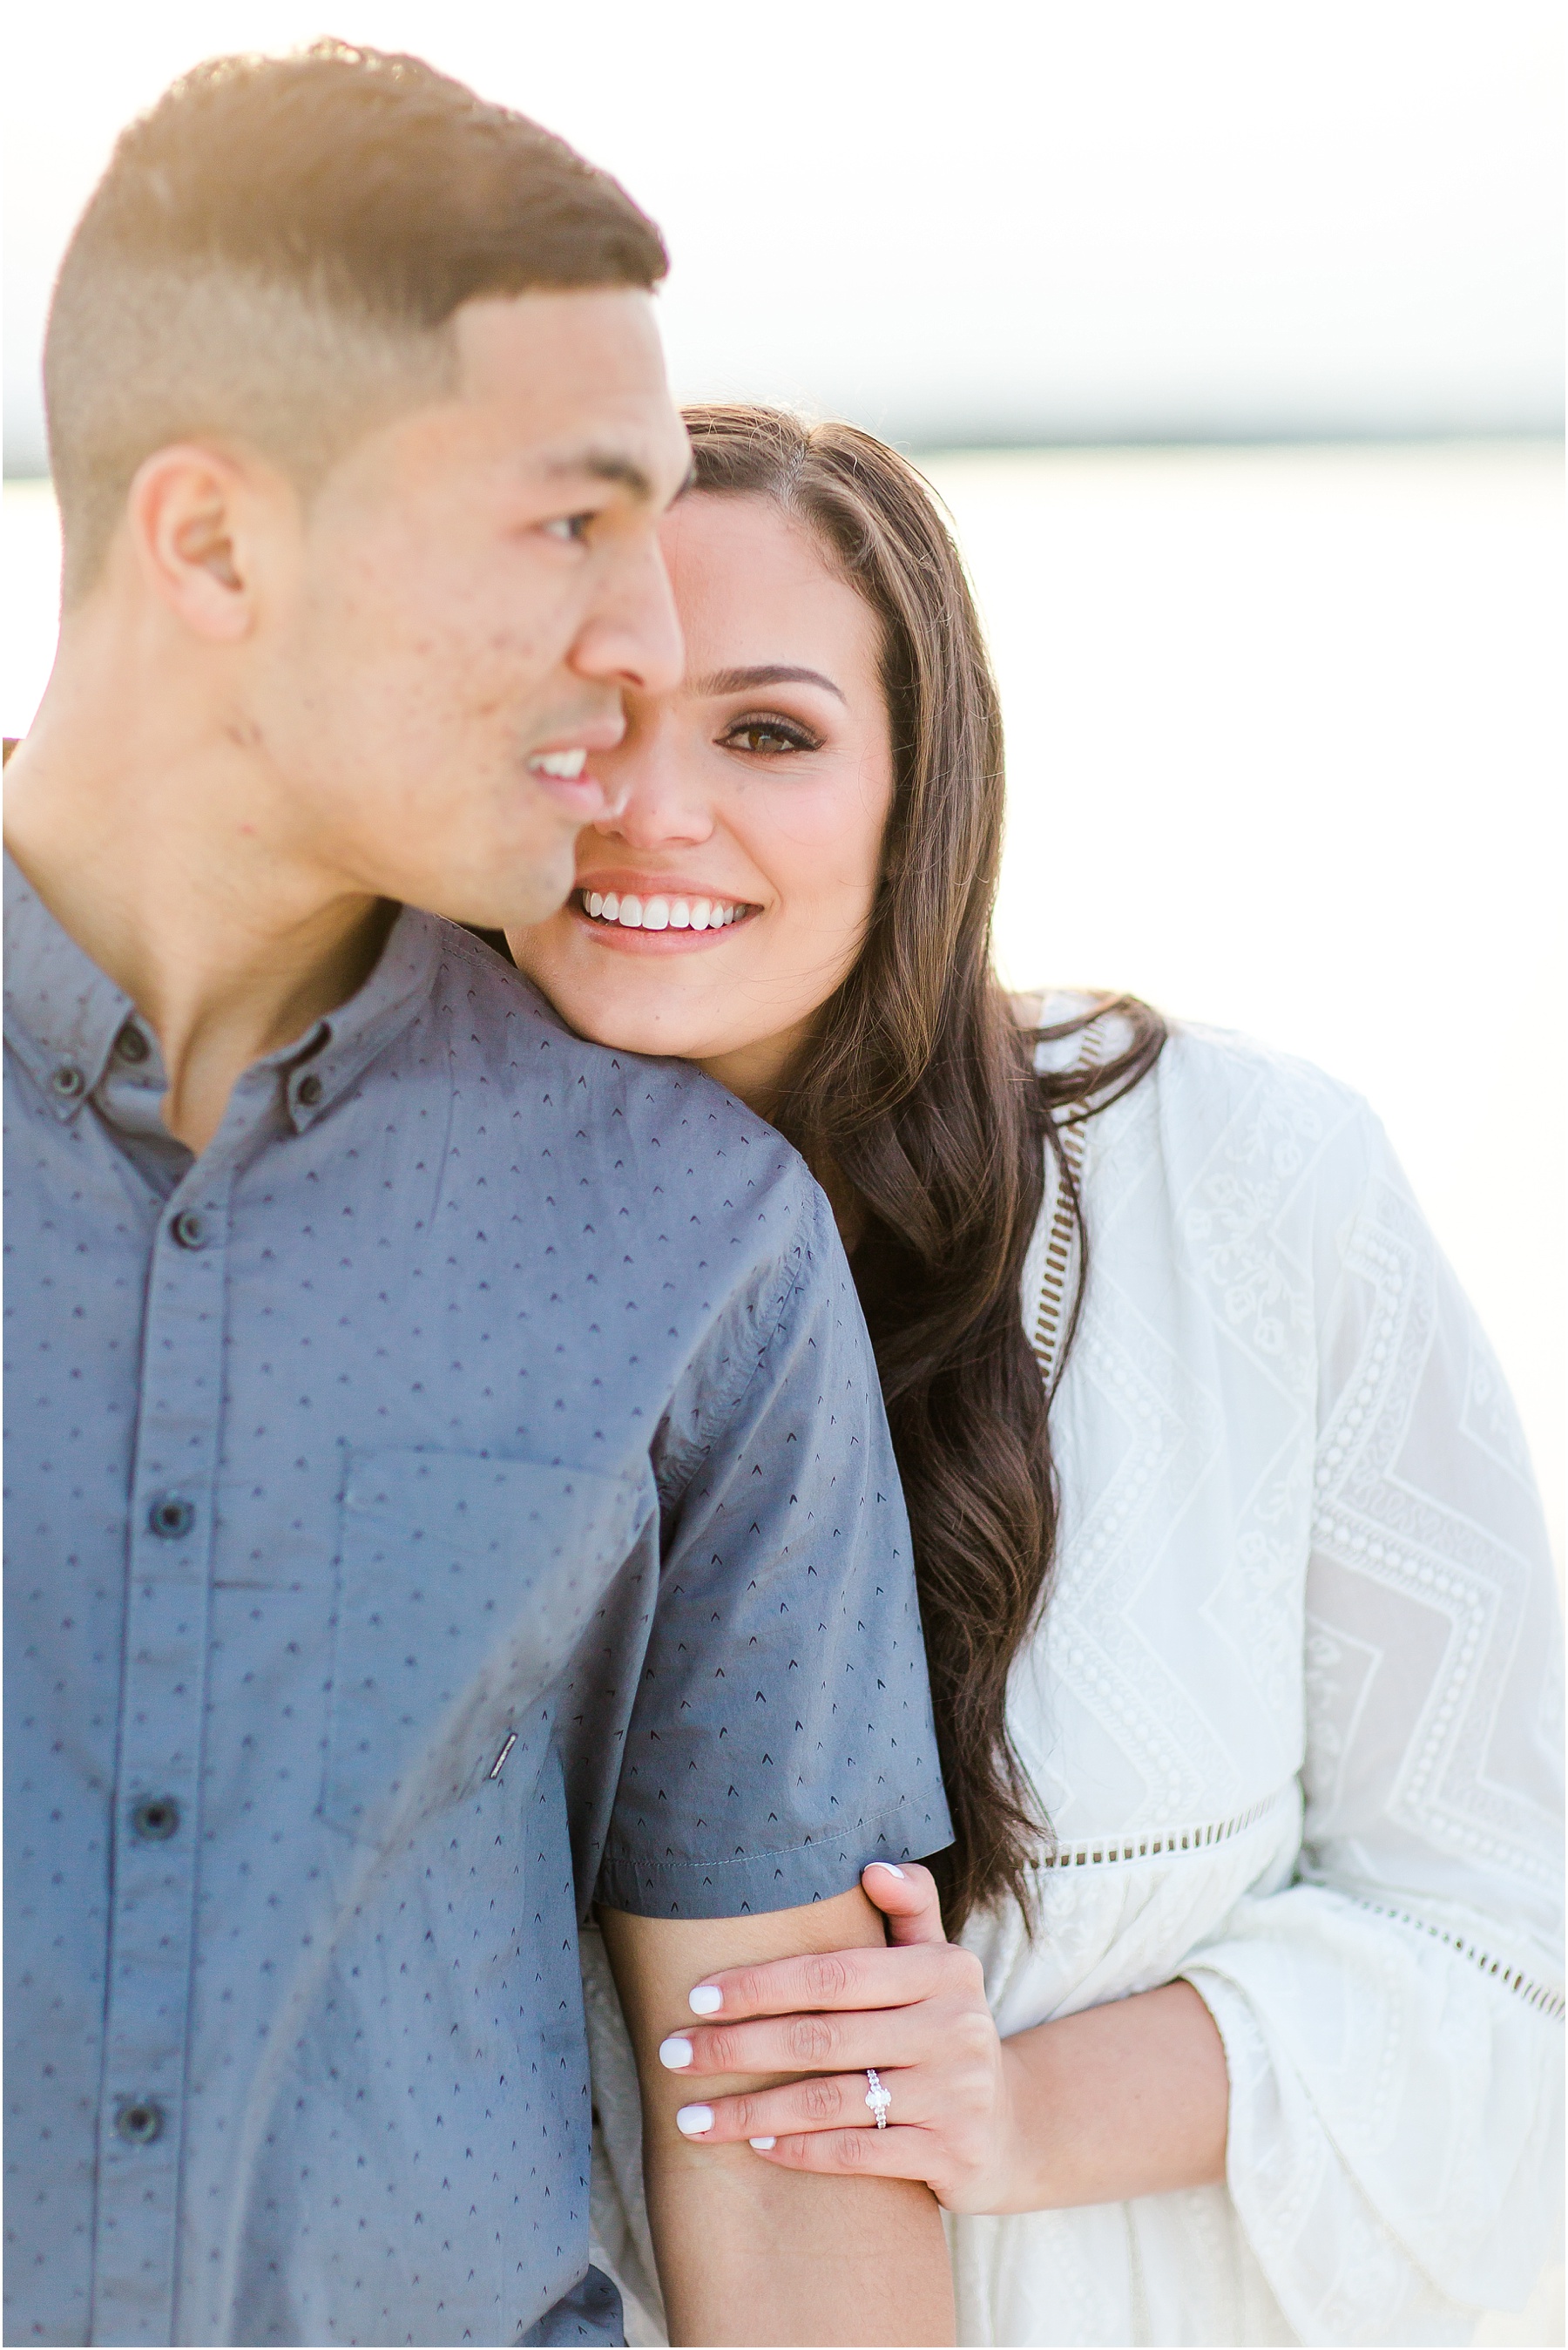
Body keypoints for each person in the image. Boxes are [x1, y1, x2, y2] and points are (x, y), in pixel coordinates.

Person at [3, 61, 958, 2348]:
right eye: (568, 528)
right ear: (216, 541)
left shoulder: (695, 1245)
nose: (639, 643)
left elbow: (797, 2166)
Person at [508, 404, 1566, 2347]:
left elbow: (1515, 1946)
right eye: (587, 719)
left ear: (924, 784)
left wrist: (1012, 2105)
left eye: (767, 731)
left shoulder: (1248, 1185)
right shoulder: (373, 1268)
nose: (653, 807)